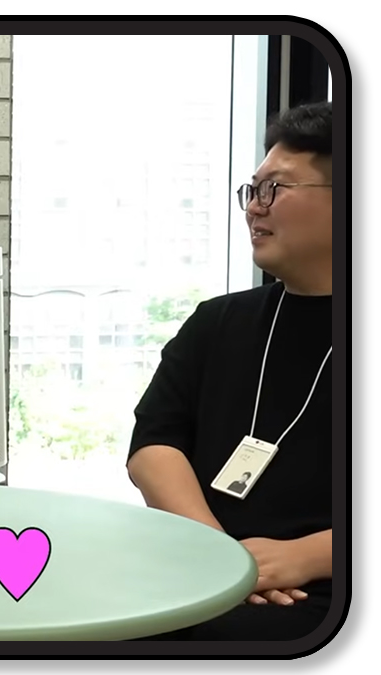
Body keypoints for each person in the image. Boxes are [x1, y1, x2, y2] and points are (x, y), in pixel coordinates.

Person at [126, 100, 333, 641]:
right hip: (201, 562)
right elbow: (154, 443)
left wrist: (308, 557)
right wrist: (219, 554)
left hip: (326, 590)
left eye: (275, 189)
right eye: (252, 190)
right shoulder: (218, 321)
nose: (254, 209)